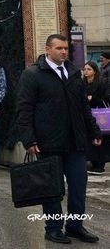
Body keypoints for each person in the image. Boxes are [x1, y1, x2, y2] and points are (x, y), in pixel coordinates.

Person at [15, 34, 102, 244]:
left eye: (65, 48)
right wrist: (29, 139)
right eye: (59, 48)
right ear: (47, 49)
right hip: (48, 141)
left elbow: (83, 106)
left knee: (78, 185)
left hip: (75, 141)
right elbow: (24, 109)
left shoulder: (73, 72)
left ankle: (75, 226)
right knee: (51, 187)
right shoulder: (33, 74)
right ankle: (53, 228)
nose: (63, 51)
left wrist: (94, 131)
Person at [82, 61, 110, 174]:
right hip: (88, 116)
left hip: (101, 115)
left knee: (102, 138)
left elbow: (106, 100)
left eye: (89, 69)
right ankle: (92, 161)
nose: (86, 71)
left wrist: (93, 99)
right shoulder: (82, 84)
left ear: (94, 71)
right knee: (90, 138)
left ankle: (100, 164)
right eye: (85, 69)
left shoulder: (101, 84)